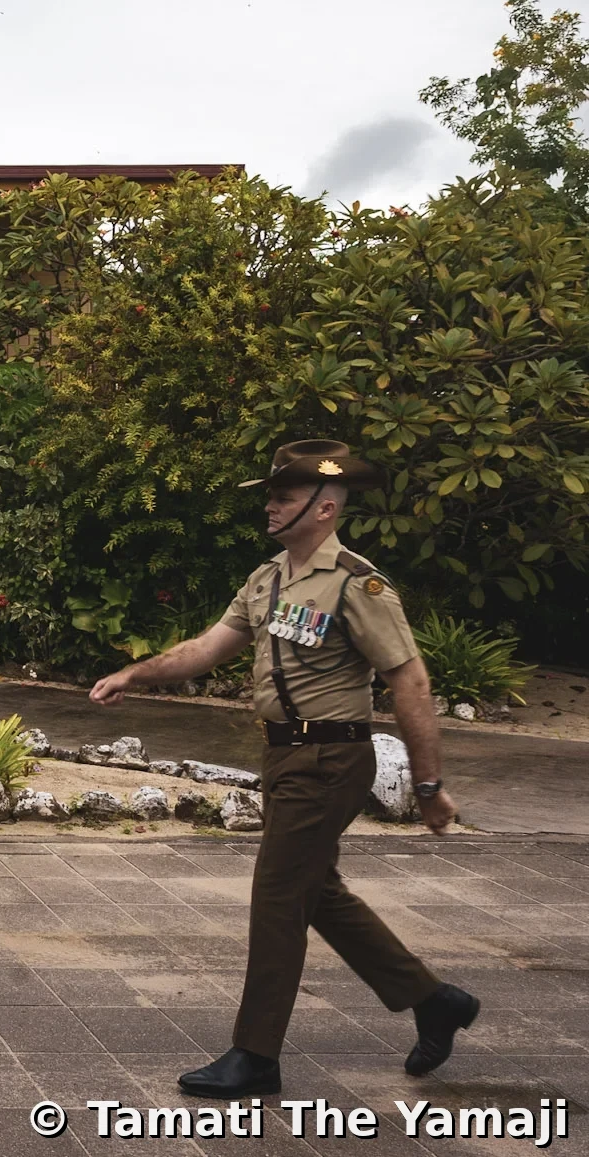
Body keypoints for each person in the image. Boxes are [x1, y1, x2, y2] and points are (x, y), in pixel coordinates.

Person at [89, 440, 478, 1099]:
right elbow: (207, 647)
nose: (270, 506)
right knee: (313, 890)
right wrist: (136, 673)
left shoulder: (357, 584)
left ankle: (256, 1054)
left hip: (330, 758)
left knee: (277, 895)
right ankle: (434, 1000)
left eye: (284, 497)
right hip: (283, 756)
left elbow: (410, 681)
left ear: (324, 508)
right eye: (270, 496)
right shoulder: (267, 579)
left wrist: (429, 784)